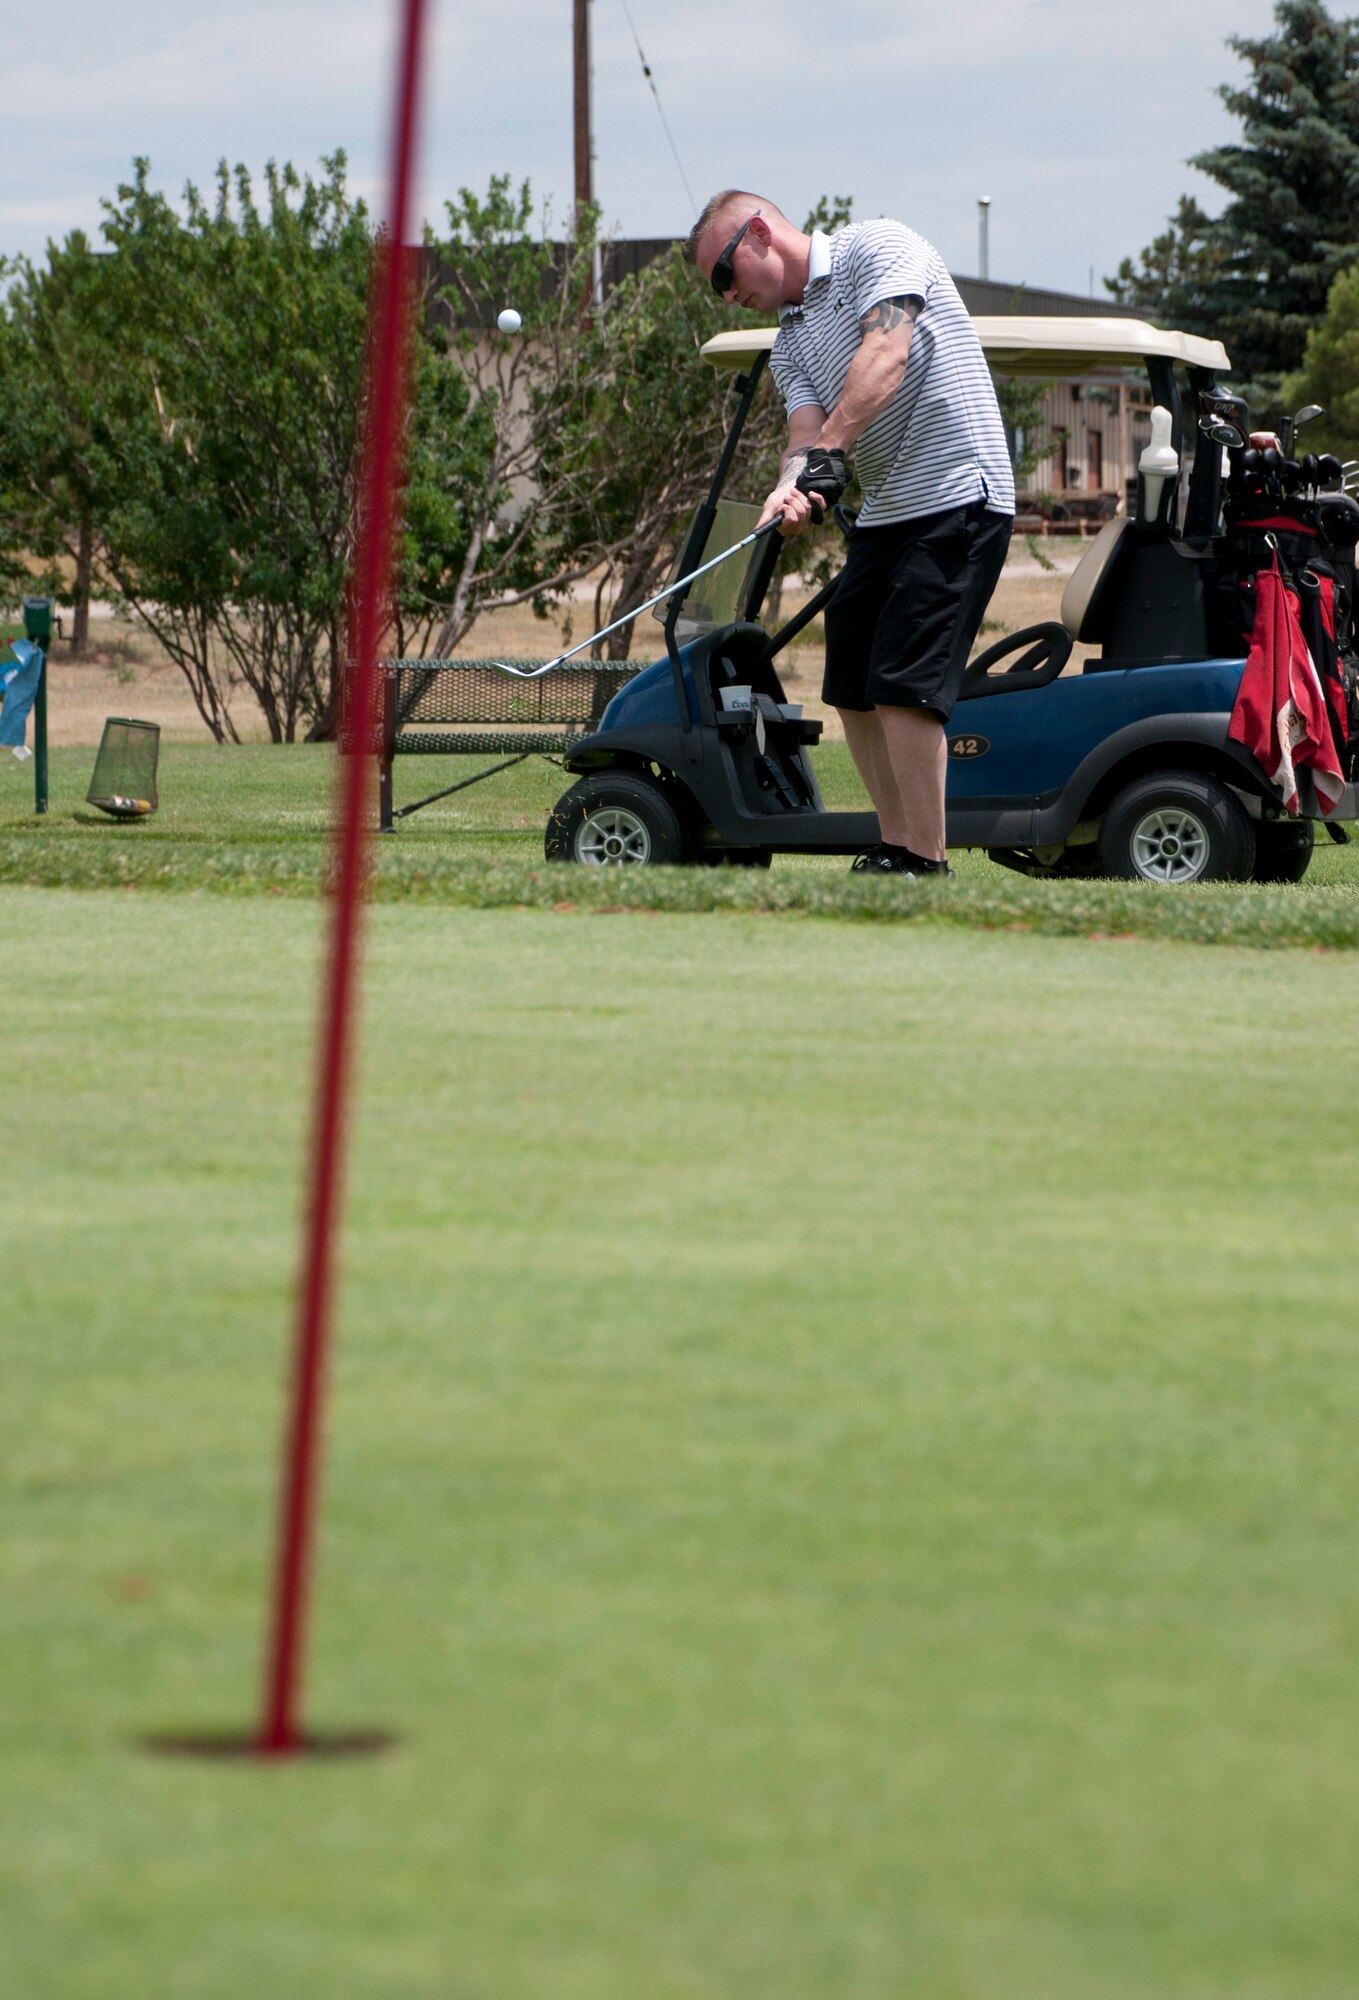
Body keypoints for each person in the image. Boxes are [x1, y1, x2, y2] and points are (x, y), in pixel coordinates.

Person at [684, 192, 1014, 874]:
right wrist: (791, 482)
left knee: (902, 684)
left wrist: (829, 452)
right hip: (888, 512)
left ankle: (926, 861)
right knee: (851, 684)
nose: (725, 295)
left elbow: (886, 354)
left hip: (959, 493)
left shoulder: (879, 248)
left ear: (759, 233)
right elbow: (804, 434)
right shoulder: (792, 341)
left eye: (723, 274)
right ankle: (894, 847)